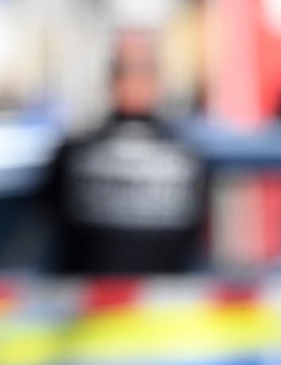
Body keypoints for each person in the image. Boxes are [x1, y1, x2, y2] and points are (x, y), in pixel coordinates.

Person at [46, 27, 208, 274]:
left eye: (141, 72)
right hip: (95, 305)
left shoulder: (75, 151)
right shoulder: (187, 154)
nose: (134, 83)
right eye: (127, 72)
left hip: (159, 304)